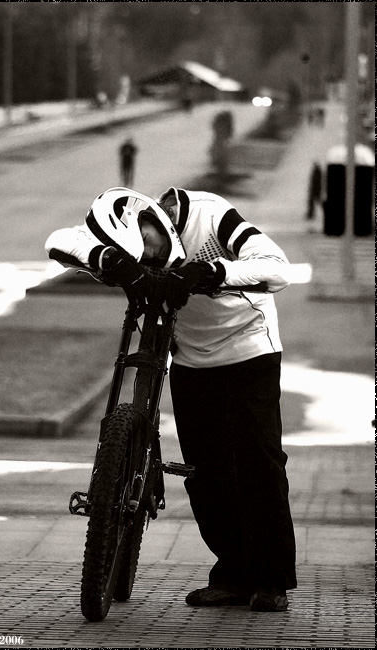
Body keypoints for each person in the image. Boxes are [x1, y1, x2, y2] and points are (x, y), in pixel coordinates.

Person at [45, 187, 297, 612]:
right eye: (140, 257)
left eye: (149, 248)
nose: (152, 260)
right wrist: (114, 263)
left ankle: (271, 580)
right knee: (206, 470)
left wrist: (212, 273)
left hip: (248, 345)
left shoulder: (210, 214)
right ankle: (233, 576)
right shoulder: (122, 236)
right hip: (190, 358)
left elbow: (277, 268)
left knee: (259, 461)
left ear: (153, 220)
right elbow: (58, 241)